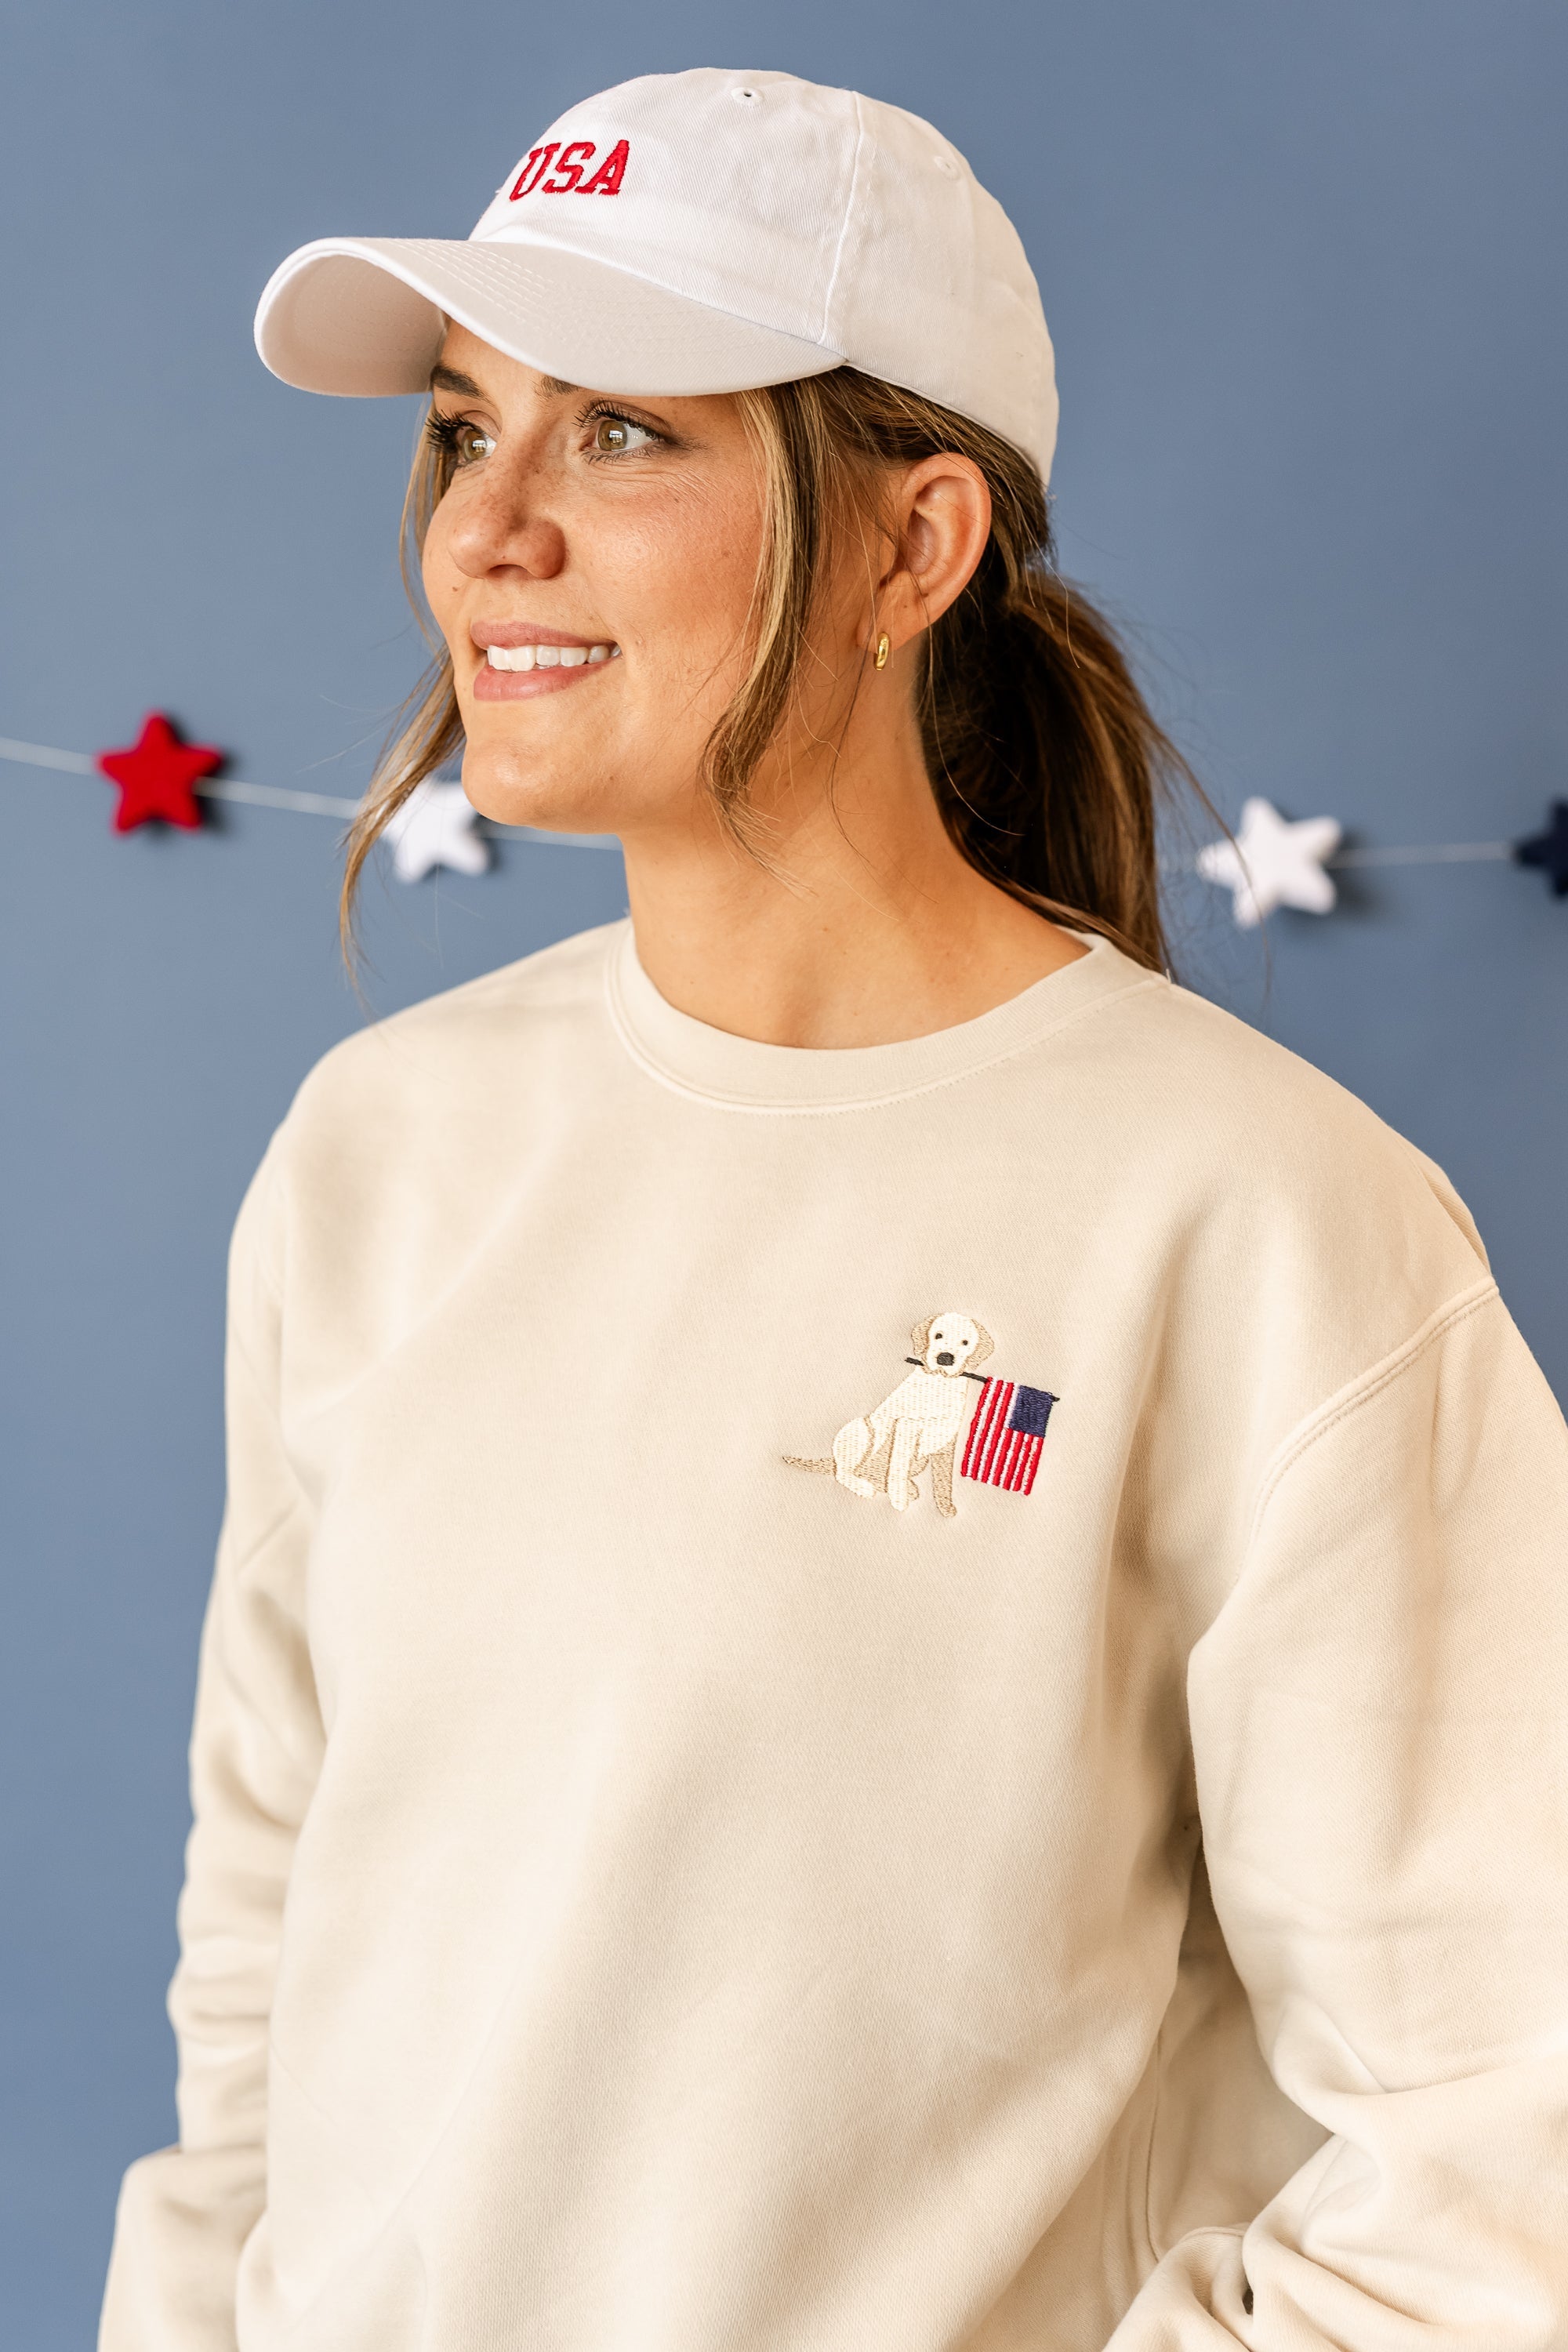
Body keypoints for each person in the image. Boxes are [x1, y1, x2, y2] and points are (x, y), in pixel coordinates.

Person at [101, 67, 1568, 2352]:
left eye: (619, 432)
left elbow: (1503, 2161)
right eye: (466, 430)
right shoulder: (379, 1152)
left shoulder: (1273, 1230)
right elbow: (260, 1983)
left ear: (913, 547)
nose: (487, 533)